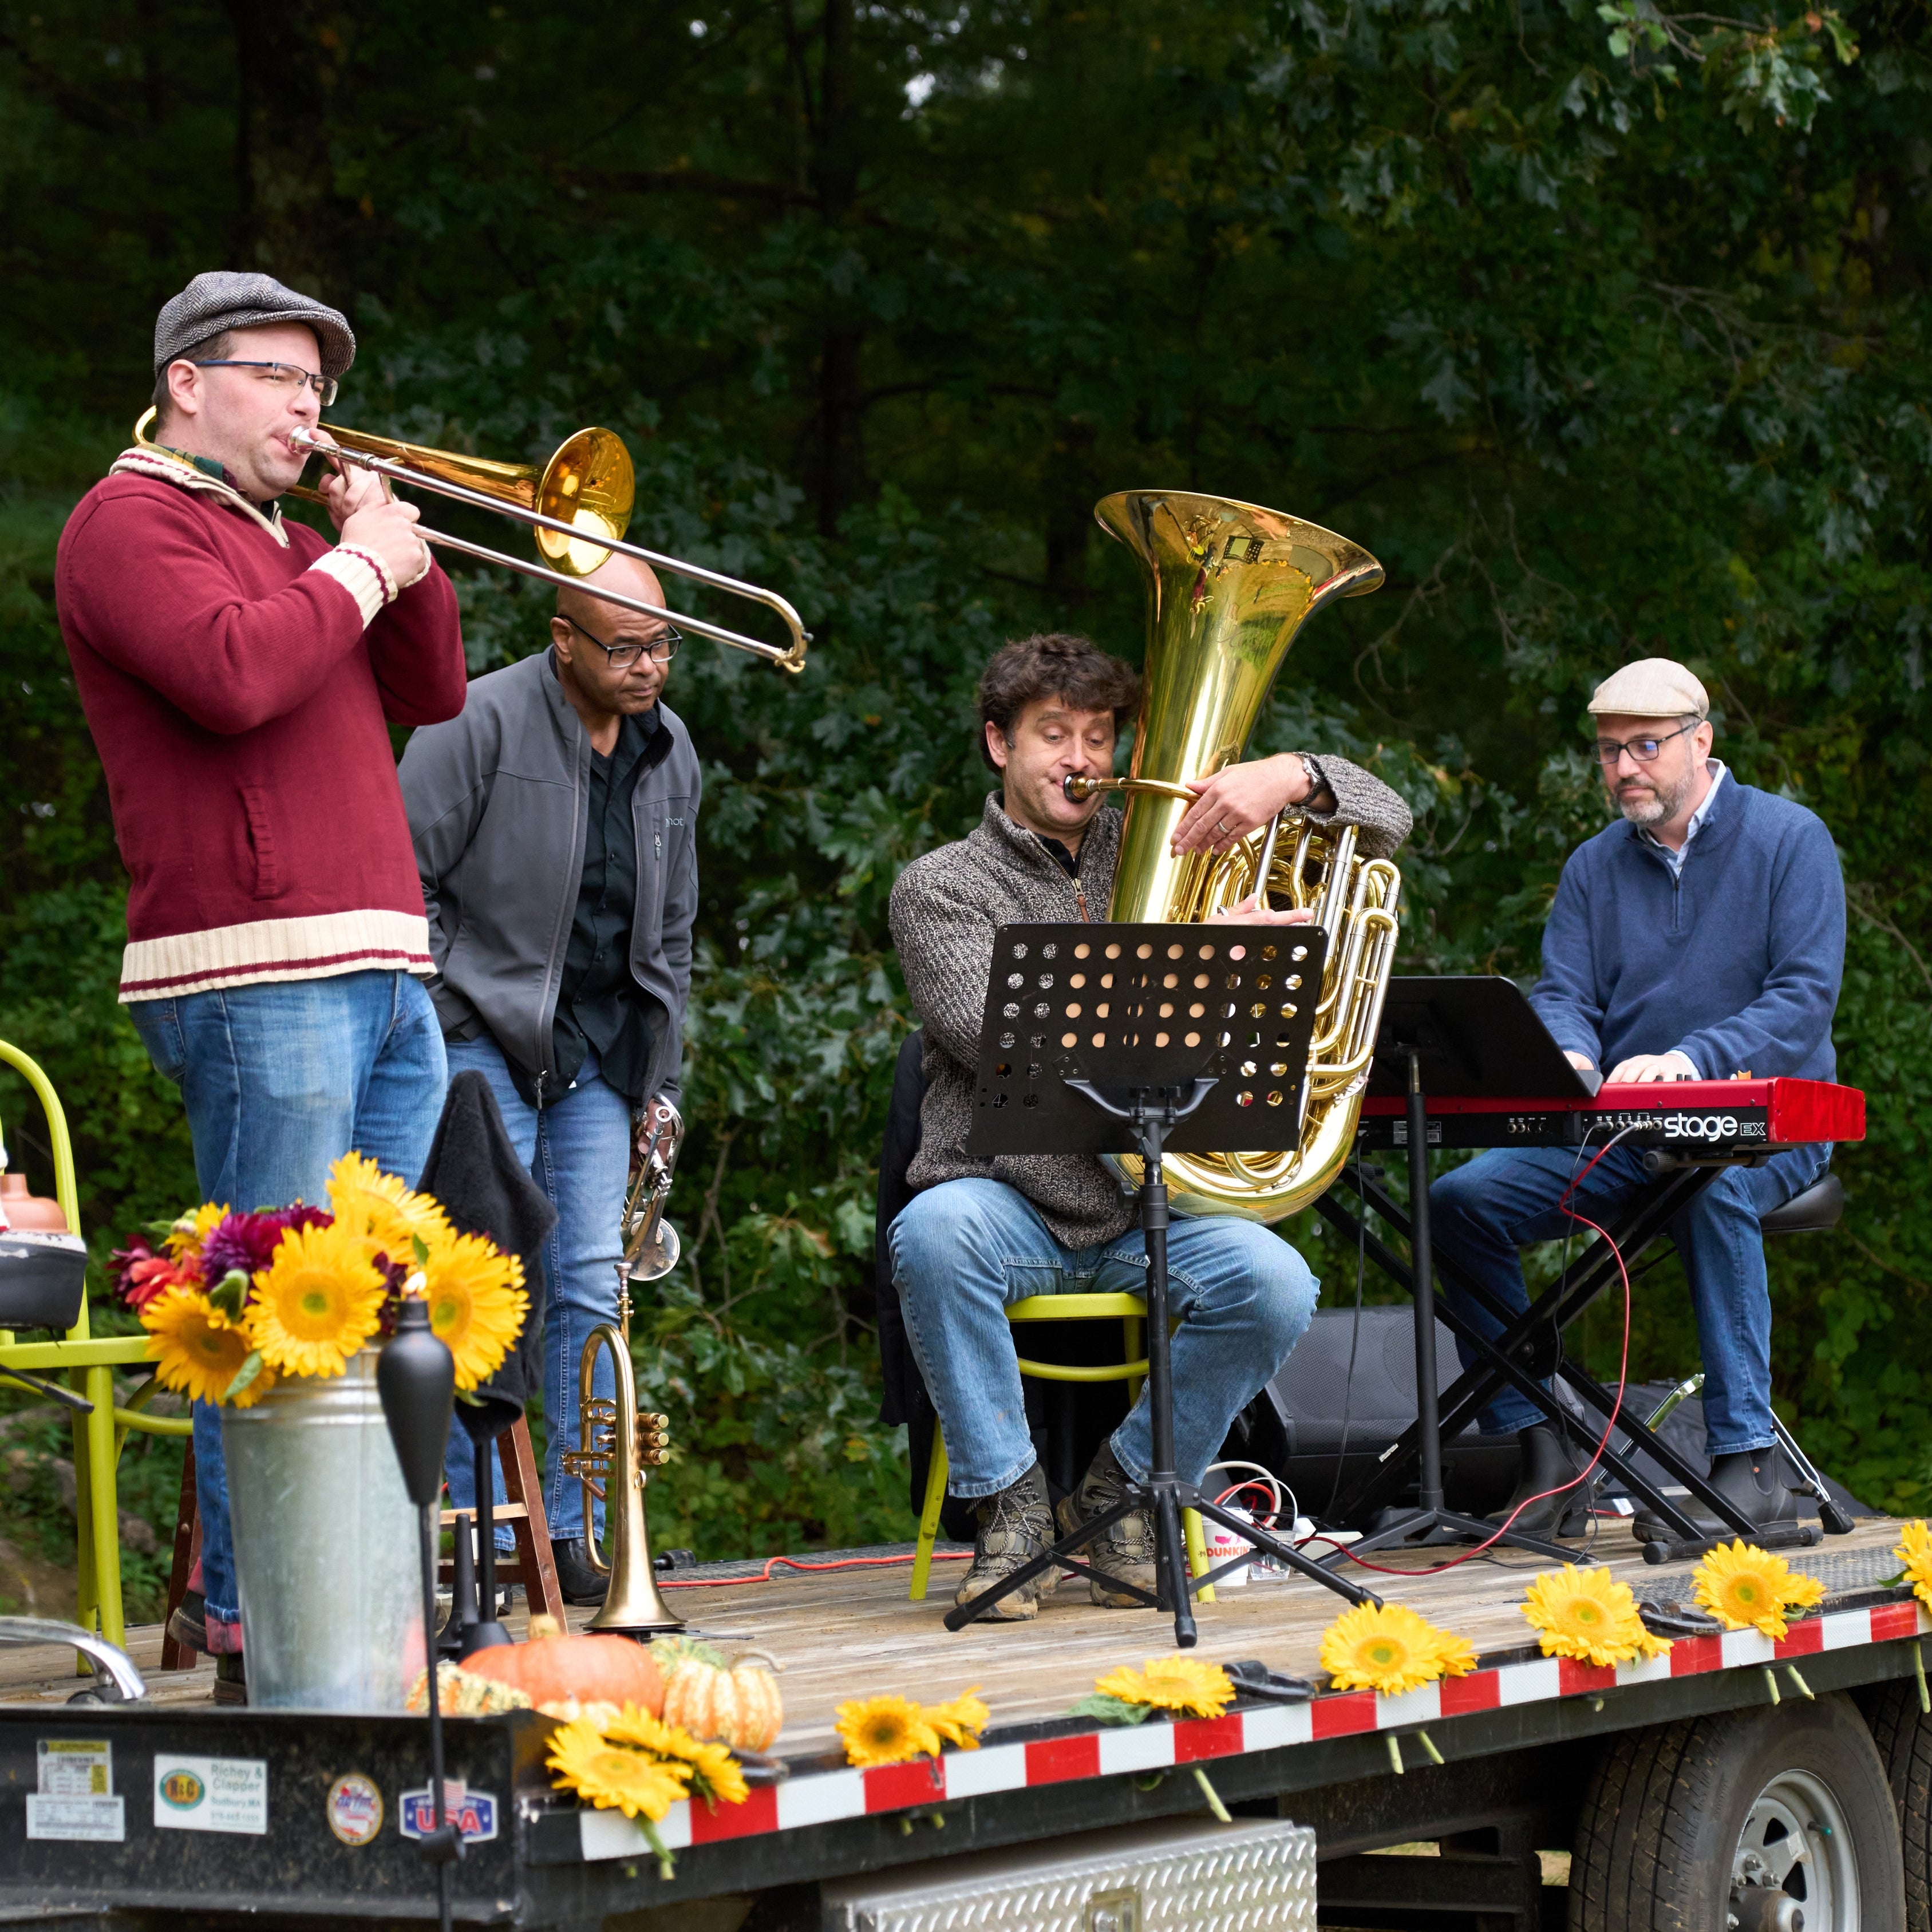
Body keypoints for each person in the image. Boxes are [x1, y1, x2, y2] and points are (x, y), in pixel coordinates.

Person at [54, 271, 467, 1696]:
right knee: (273, 1311)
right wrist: (355, 566)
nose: (309, 408)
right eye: (280, 379)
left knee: (365, 1312)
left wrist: (385, 544)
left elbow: (438, 688)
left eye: (318, 387)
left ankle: (350, 1611)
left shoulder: (289, 535)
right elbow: (234, 677)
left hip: (379, 957)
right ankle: (259, 1630)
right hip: (254, 965)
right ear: (187, 382)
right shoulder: (127, 525)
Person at [887, 631, 1413, 1617]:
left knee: (1275, 1281)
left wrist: (1288, 779)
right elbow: (996, 1027)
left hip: (1153, 1206)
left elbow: (1389, 823)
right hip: (1012, 1202)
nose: (1082, 759)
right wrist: (1196, 960)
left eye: (1098, 735)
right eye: (1054, 735)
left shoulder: (1178, 837)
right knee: (933, 1232)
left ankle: (1124, 1488)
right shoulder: (940, 885)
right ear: (1000, 745)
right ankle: (1011, 1507)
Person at [1430, 658, 1845, 1538]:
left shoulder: (1790, 838)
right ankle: (1541, 1452)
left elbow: (1804, 997)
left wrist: (1694, 1058)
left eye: (1645, 746)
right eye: (1609, 752)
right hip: (1622, 1129)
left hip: (1771, 1128)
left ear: (1702, 740)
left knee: (1709, 1183)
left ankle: (1748, 1461)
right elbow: (1564, 992)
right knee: (1456, 1203)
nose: (1625, 769)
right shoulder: (1592, 867)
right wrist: (1571, 1051)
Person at [398, 552, 700, 1603]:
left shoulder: (674, 752)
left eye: (662, 643)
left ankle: (570, 1537)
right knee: (481, 1286)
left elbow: (673, 928)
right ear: (562, 639)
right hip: (481, 1039)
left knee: (585, 1286)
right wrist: (448, 1016)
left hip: (603, 1058)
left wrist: (661, 1075)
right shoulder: (472, 719)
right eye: (623, 647)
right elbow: (402, 878)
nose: (648, 667)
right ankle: (476, 1533)